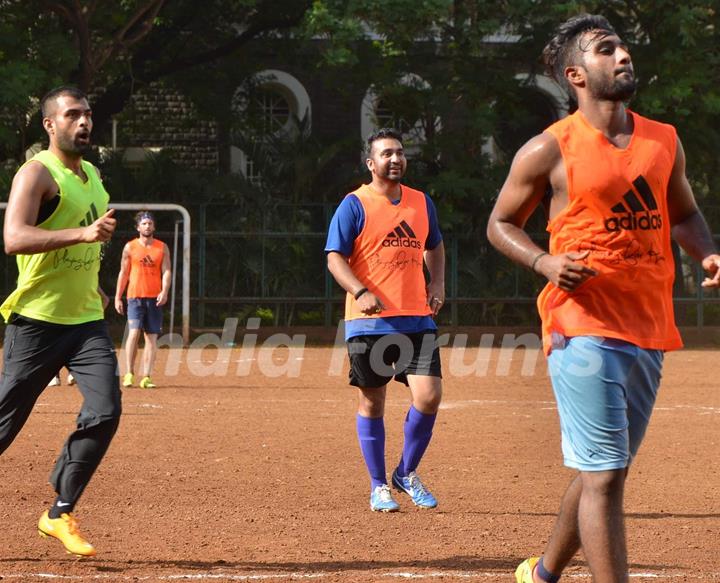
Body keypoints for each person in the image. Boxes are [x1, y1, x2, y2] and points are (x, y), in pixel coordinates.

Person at [486, 14, 720, 583]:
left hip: (648, 326)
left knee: (603, 472)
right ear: (576, 75)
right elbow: (499, 224)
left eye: (621, 45)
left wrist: (708, 253)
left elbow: (682, 212)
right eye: (605, 49)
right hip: (580, 324)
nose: (622, 55)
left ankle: (542, 573)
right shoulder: (549, 148)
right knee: (607, 476)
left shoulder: (663, 140)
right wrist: (543, 261)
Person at [0, 86, 121, 557]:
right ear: (50, 124)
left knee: (105, 410)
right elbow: (13, 237)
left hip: (86, 321)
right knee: (5, 426)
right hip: (36, 321)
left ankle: (59, 511)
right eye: (73, 114)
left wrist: (93, 279)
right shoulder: (36, 173)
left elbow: (88, 243)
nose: (84, 122)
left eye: (87, 114)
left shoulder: (92, 174)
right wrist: (83, 234)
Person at [325, 128, 446, 512]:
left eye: (400, 153)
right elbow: (334, 257)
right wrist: (360, 292)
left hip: (416, 318)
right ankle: (379, 485)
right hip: (368, 324)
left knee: (429, 396)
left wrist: (437, 282)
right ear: (371, 163)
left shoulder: (421, 203)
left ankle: (405, 473)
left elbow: (435, 244)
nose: (396, 159)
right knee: (373, 403)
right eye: (387, 153)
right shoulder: (353, 204)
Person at [114, 210, 171, 389]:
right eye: (144, 223)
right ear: (138, 227)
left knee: (151, 337)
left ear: (154, 226)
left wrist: (165, 291)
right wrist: (118, 297)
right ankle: (129, 373)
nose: (147, 226)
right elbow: (124, 273)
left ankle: (146, 376)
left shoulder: (162, 247)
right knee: (133, 333)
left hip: (154, 298)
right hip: (135, 297)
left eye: (150, 223)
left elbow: (167, 271)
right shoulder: (130, 247)